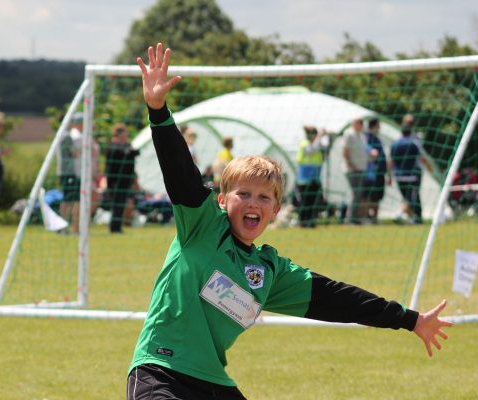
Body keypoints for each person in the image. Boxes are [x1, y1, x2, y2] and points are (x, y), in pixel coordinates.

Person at [127, 43, 453, 400]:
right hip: (161, 372)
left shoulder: (269, 271)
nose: (254, 203)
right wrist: (158, 111)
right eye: (243, 194)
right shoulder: (202, 224)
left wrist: (409, 319)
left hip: (213, 382)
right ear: (221, 200)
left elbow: (338, 299)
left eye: (264, 197)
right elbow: (180, 173)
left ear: (276, 210)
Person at [389, 114, 434, 224]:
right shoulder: (414, 143)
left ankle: (411, 217)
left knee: (408, 198)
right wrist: (430, 168)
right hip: (412, 175)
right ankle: (405, 215)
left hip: (399, 176)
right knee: (412, 198)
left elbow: (391, 161)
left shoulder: (394, 144)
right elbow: (422, 157)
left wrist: (389, 175)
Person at [105, 122, 139, 233]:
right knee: (116, 203)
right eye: (124, 133)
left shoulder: (127, 145)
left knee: (122, 203)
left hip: (126, 179)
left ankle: (118, 226)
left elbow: (135, 152)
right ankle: (114, 227)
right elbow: (121, 154)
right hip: (115, 180)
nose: (126, 135)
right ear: (119, 134)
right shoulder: (113, 146)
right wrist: (129, 152)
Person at [295, 125, 325, 228]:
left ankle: (311, 222)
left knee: (313, 202)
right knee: (305, 202)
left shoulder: (316, 143)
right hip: (304, 180)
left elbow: (324, 148)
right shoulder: (305, 144)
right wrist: (320, 136)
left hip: (314, 179)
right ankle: (303, 223)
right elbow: (312, 149)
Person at [57, 114, 81, 234]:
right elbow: (75, 154)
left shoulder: (61, 134)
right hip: (69, 172)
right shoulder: (67, 136)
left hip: (64, 172)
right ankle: (66, 228)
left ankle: (65, 227)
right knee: (70, 200)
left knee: (68, 200)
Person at [342, 118, 369, 224]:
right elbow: (345, 151)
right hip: (352, 170)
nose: (361, 125)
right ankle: (350, 219)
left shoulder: (362, 136)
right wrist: (351, 166)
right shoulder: (349, 134)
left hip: (362, 169)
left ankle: (355, 218)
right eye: (359, 123)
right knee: (356, 193)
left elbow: (363, 152)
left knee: (358, 194)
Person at [364, 118, 389, 223]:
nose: (379, 128)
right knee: (369, 196)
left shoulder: (377, 138)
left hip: (380, 172)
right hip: (371, 173)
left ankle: (374, 218)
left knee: (377, 196)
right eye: (378, 126)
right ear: (374, 126)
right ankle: (367, 216)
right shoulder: (366, 137)